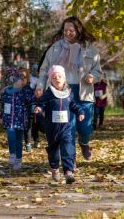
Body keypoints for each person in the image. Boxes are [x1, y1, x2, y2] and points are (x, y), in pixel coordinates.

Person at [35, 16, 102, 160]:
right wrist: (40, 86)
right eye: (65, 30)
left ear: (78, 30)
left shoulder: (90, 49)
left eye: (71, 30)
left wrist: (92, 76)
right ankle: (69, 161)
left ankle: (84, 142)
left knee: (85, 127)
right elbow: (44, 69)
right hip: (61, 93)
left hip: (83, 91)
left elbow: (98, 71)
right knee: (67, 128)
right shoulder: (55, 48)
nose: (68, 33)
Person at [34, 65, 85, 184]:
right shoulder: (48, 94)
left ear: (64, 79)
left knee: (67, 147)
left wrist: (80, 111)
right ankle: (55, 168)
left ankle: (68, 171)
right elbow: (42, 104)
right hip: (52, 128)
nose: (57, 79)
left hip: (66, 128)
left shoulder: (68, 93)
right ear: (50, 80)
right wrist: (38, 108)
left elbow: (73, 104)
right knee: (54, 150)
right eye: (54, 77)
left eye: (59, 76)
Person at [0, 68, 33, 170]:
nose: (23, 81)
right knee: (10, 134)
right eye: (20, 79)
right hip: (9, 119)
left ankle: (18, 159)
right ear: (13, 80)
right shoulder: (6, 93)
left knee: (19, 139)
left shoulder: (25, 91)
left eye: (23, 79)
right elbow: (3, 105)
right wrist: (1, 116)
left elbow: (31, 101)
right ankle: (13, 154)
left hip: (21, 119)